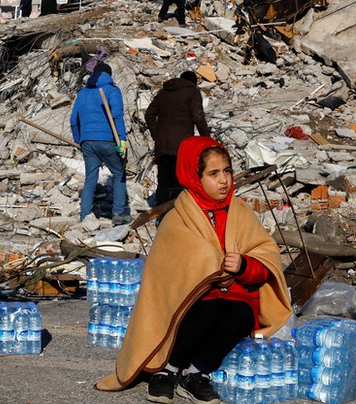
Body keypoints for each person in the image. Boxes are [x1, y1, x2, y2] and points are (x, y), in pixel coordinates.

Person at [95, 136, 292, 403]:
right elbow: (167, 276)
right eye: (213, 174)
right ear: (194, 177)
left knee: (242, 313)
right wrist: (209, 265)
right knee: (206, 308)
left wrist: (244, 265)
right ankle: (168, 369)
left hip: (235, 294)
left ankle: (196, 372)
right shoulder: (179, 218)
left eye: (227, 171)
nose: (223, 180)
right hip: (194, 298)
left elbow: (266, 259)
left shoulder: (241, 212)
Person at [70, 62, 131, 225]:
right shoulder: (112, 90)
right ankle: (118, 213)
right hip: (108, 140)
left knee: (91, 178)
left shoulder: (82, 93)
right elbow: (116, 116)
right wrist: (122, 139)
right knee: (119, 173)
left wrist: (79, 139)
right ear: (109, 75)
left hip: (88, 142)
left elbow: (73, 120)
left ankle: (85, 215)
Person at [145, 71, 210, 205]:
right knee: (180, 179)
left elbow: (149, 114)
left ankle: (161, 215)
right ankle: (177, 214)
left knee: (163, 180)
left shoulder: (163, 93)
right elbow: (198, 117)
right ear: (193, 82)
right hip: (182, 146)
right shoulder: (192, 92)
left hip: (162, 146)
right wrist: (207, 139)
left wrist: (156, 134)